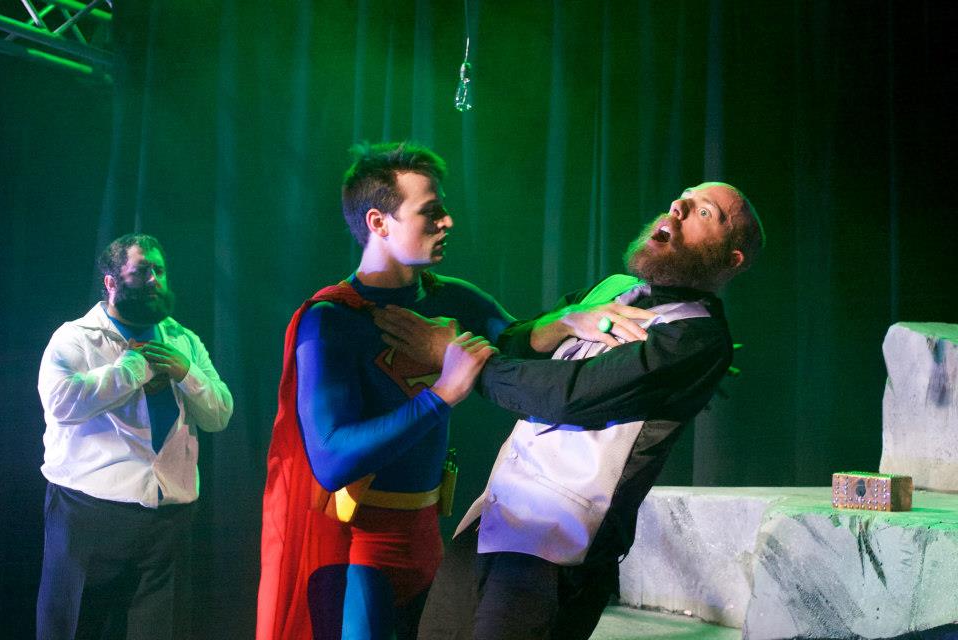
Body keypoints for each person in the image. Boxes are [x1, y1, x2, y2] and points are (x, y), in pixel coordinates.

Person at [378, 182, 764, 640]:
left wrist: (459, 362)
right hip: (493, 519)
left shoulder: (696, 336)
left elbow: (568, 395)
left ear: (731, 258)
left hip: (556, 553)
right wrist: (563, 321)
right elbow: (517, 345)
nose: (677, 206)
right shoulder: (612, 289)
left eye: (704, 212)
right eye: (684, 197)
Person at [256, 142, 511, 640]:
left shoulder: (453, 298)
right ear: (379, 222)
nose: (447, 222)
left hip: (428, 540)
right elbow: (332, 458)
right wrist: (442, 395)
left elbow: (522, 341)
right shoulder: (330, 320)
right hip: (359, 553)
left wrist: (575, 317)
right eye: (430, 212)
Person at [36, 233, 234, 640]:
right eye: (142, 271)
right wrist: (132, 369)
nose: (155, 280)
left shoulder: (183, 340)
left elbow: (219, 414)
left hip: (167, 519)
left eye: (160, 270)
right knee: (75, 627)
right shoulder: (75, 337)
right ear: (111, 281)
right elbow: (61, 404)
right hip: (89, 514)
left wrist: (186, 373)